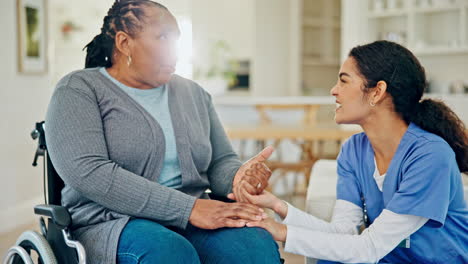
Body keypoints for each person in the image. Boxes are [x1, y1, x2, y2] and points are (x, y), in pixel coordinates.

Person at [45, 0, 281, 263]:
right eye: (163, 37)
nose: (174, 50)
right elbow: (89, 172)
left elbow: (220, 160)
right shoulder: (78, 90)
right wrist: (188, 208)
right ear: (124, 43)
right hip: (112, 221)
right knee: (169, 252)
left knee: (254, 247)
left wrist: (238, 178)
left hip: (193, 217)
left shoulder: (194, 94)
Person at [229, 40, 468, 263]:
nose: (334, 90)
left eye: (344, 81)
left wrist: (281, 231)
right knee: (331, 255)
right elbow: (342, 232)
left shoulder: (430, 155)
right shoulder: (354, 150)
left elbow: (369, 247)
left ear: (377, 91)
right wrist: (276, 205)